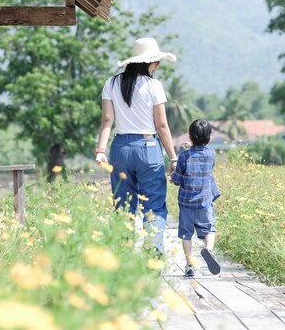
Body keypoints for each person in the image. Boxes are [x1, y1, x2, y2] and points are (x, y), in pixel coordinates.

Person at [94, 37, 178, 256]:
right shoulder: (153, 85)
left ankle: (123, 257)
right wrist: (173, 157)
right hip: (148, 146)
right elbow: (161, 125)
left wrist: (101, 150)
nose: (157, 67)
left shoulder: (110, 83)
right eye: (156, 63)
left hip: (120, 148)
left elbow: (106, 120)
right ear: (148, 63)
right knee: (154, 205)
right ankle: (153, 255)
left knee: (123, 206)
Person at [170, 119, 221, 277]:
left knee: (186, 233)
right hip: (204, 202)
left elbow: (177, 180)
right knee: (209, 229)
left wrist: (173, 176)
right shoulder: (211, 154)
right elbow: (203, 157)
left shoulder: (184, 156)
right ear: (209, 137)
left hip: (186, 203)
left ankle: (190, 265)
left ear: (190, 136)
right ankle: (209, 250)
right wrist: (194, 147)